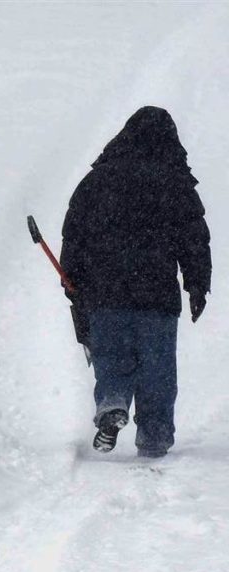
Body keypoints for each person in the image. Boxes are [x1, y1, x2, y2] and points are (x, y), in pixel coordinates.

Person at [60, 106, 211, 458]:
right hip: (156, 294)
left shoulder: (99, 179)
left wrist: (73, 279)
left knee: (111, 356)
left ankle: (112, 401)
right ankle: (155, 433)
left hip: (105, 292)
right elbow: (194, 238)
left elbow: (75, 232)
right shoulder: (175, 183)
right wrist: (197, 284)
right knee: (157, 368)